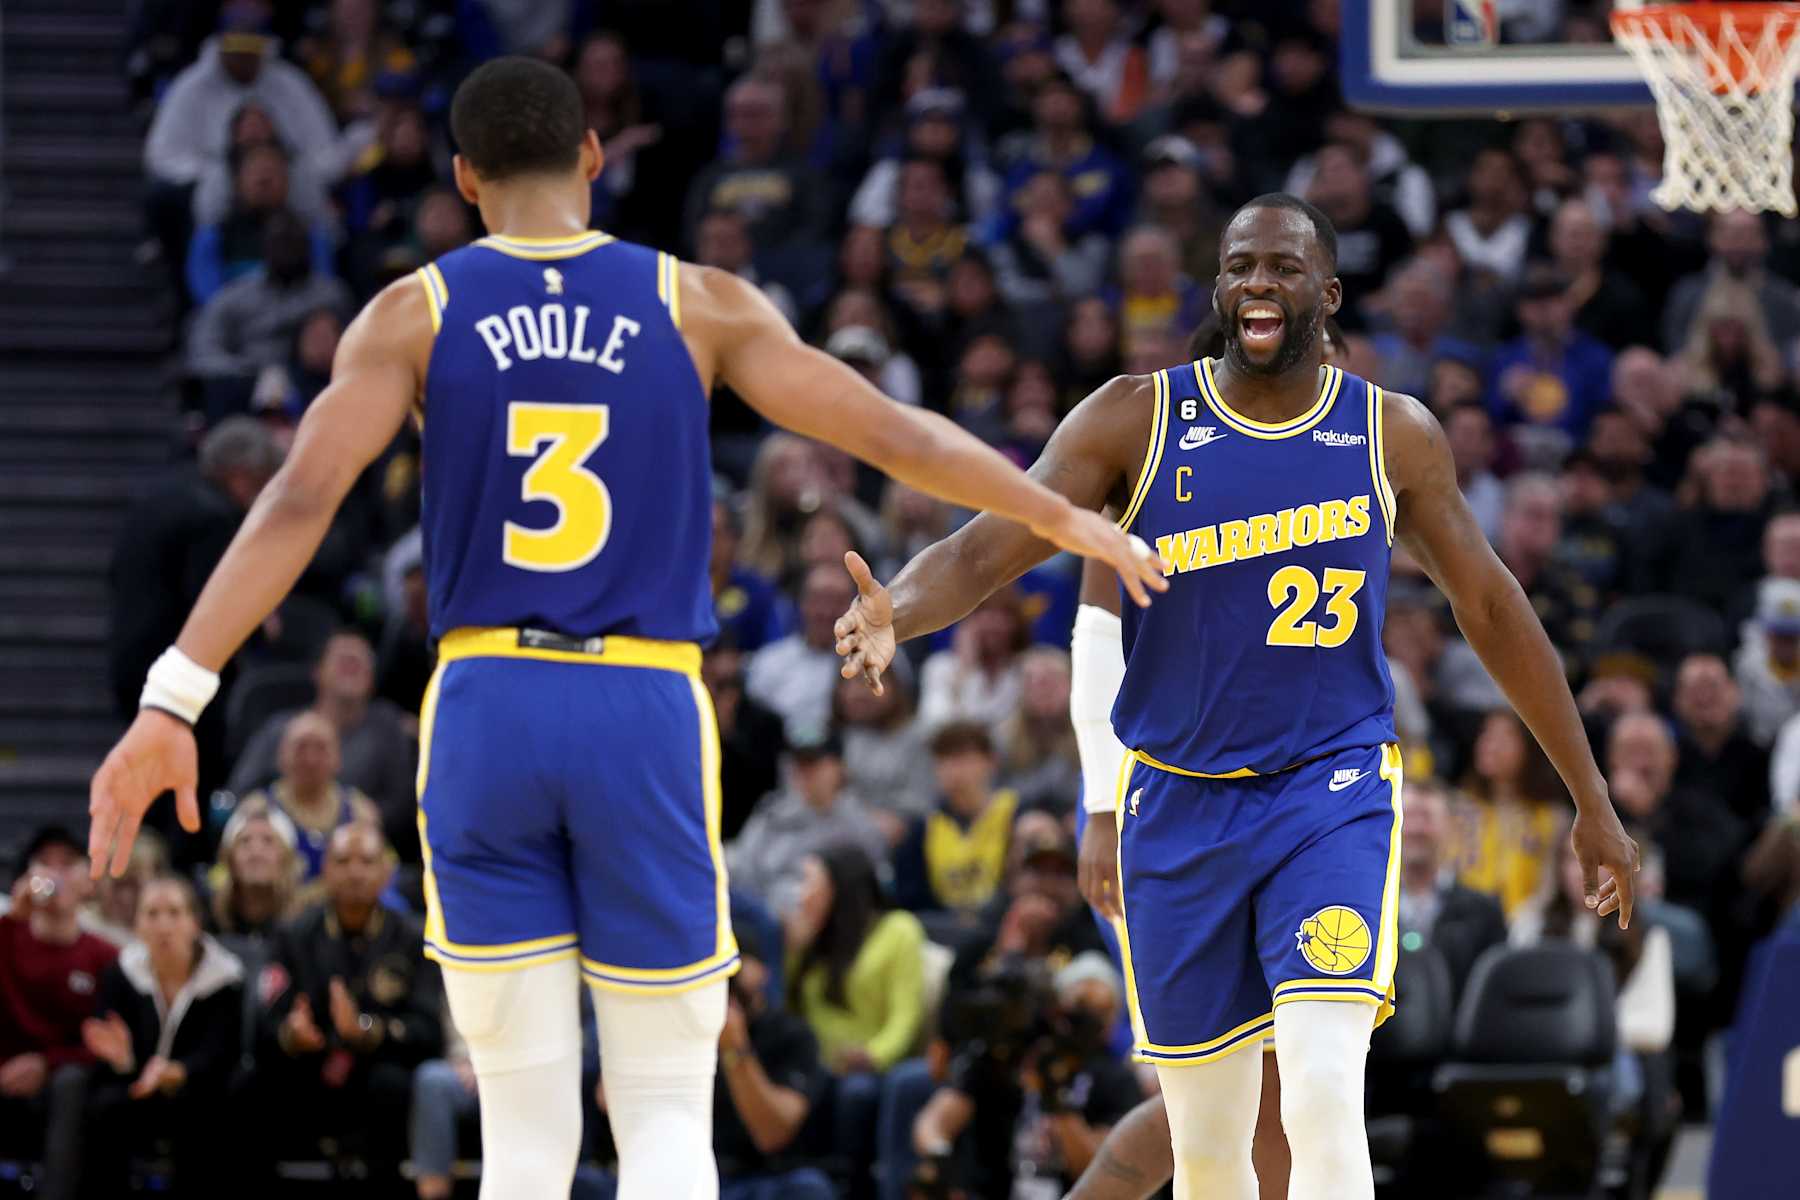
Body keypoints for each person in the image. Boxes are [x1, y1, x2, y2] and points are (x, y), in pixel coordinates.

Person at [87, 55, 1163, 1200]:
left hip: (486, 701)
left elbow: (299, 499)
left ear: (463, 177)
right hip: (640, 702)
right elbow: (892, 434)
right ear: (594, 156)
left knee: (522, 1131)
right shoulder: (694, 301)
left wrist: (174, 696)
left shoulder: (414, 311)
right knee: (661, 1113)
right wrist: (1054, 512)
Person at [833, 193, 1639, 1200]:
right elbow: (984, 549)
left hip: (1329, 793)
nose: (1258, 281)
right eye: (1240, 265)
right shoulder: (1135, 417)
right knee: (1209, 1148)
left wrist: (1591, 797)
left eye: (1284, 266)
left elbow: (1492, 606)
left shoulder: (1390, 433)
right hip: (1177, 804)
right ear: (1218, 286)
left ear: (1327, 295)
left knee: (1319, 1091)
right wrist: (895, 611)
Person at [254, 823, 443, 1175]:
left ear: (386, 872)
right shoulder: (293, 935)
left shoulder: (414, 937)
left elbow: (428, 1030)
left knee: (391, 1083)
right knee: (253, 1083)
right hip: (311, 1065)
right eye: (343, 861)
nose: (355, 872)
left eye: (367, 861)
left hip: (380, 1068)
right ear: (325, 869)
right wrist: (292, 1034)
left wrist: (367, 1030)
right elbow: (263, 1024)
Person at [81, 876, 245, 1199]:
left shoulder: (225, 977)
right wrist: (124, 1061)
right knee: (102, 1105)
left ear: (195, 923)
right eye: (152, 914)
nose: (163, 925)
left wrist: (177, 1072)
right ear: (137, 925)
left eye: (174, 913)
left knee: (214, 1110)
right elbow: (112, 1050)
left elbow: (222, 1052)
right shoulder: (120, 972)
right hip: (139, 1086)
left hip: (197, 1088)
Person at [0, 827, 117, 1200]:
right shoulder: (6, 934)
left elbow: (105, 1043)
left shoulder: (106, 956)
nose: (55, 875)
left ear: (89, 882)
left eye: (67, 864)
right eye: (44, 863)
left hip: (64, 1081)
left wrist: (47, 1063)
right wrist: (11, 921)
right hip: (4, 1070)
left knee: (72, 1082)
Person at [228, 629, 418, 849]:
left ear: (372, 678)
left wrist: (364, 819)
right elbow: (241, 792)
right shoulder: (280, 728)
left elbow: (403, 805)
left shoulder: (388, 727)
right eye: (344, 661)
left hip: (361, 848)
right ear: (317, 671)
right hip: (280, 846)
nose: (311, 759)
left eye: (359, 663)